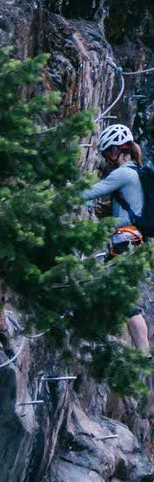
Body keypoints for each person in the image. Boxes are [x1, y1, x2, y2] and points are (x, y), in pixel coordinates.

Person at [86, 122, 151, 356]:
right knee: (121, 296)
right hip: (132, 241)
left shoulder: (123, 173)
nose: (106, 158)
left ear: (117, 149)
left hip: (125, 241)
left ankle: (143, 352)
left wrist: (64, 194)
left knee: (121, 297)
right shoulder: (135, 172)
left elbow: (90, 191)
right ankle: (139, 352)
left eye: (107, 152)